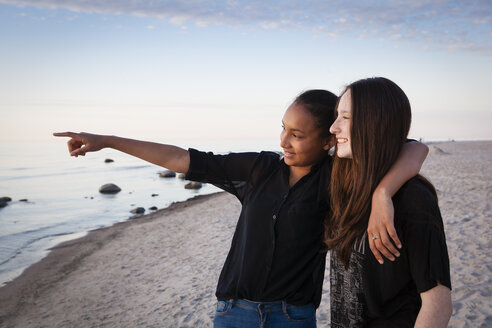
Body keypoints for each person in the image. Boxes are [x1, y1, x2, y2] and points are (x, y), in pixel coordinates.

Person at [54, 89, 428, 327]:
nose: (284, 140)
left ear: (328, 139)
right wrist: (107, 140)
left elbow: (413, 148)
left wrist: (382, 193)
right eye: (283, 128)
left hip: (293, 318)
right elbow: (181, 157)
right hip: (233, 313)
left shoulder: (338, 178)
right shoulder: (258, 169)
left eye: (297, 135)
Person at [327, 78, 452, 327]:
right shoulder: (345, 184)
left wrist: (383, 193)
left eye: (346, 117)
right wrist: (381, 192)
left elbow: (438, 304)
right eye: (336, 116)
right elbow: (415, 148)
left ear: (376, 124)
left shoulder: (412, 199)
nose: (333, 127)